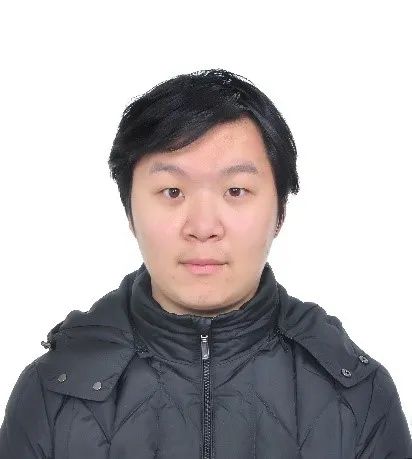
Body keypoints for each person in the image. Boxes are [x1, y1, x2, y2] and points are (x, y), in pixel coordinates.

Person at [0, 68, 410, 459]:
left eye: (235, 190)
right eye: (172, 192)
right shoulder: (54, 391)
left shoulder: (358, 395)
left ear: (280, 211)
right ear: (129, 211)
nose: (202, 227)